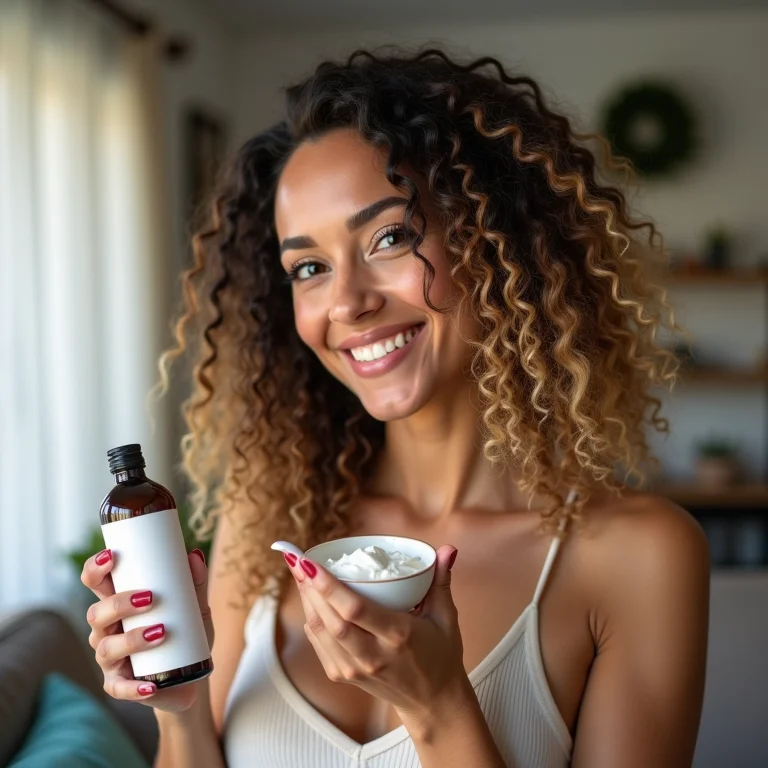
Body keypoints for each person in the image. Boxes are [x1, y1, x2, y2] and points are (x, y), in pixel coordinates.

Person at [81, 48, 710, 768]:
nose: (348, 303)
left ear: (497, 238)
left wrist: (438, 709)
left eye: (391, 237)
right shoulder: (265, 523)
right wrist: (179, 712)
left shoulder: (637, 557)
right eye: (309, 268)